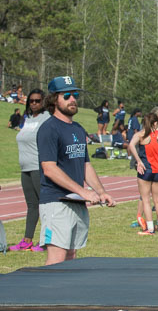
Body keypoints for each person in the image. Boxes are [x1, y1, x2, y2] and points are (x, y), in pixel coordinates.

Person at [37, 76, 115, 264]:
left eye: (75, 94)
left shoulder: (78, 129)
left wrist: (101, 192)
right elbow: (49, 169)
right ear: (54, 99)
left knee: (71, 258)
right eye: (67, 95)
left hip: (76, 202)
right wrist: (82, 191)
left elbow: (85, 164)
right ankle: (46, 294)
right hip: (56, 202)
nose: (73, 99)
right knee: (57, 259)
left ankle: (66, 294)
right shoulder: (49, 128)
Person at [12, 89, 49, 252]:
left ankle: (47, 241)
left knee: (45, 205)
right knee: (32, 205)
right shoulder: (27, 119)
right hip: (25, 168)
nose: (34, 103)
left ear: (43, 102)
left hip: (37, 167)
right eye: (31, 101)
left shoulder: (46, 118)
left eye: (37, 101)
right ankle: (27, 240)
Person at [129, 107, 158, 235]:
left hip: (145, 170)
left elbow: (130, 145)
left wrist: (138, 160)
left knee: (146, 199)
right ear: (155, 123)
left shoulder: (141, 135)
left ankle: (150, 228)